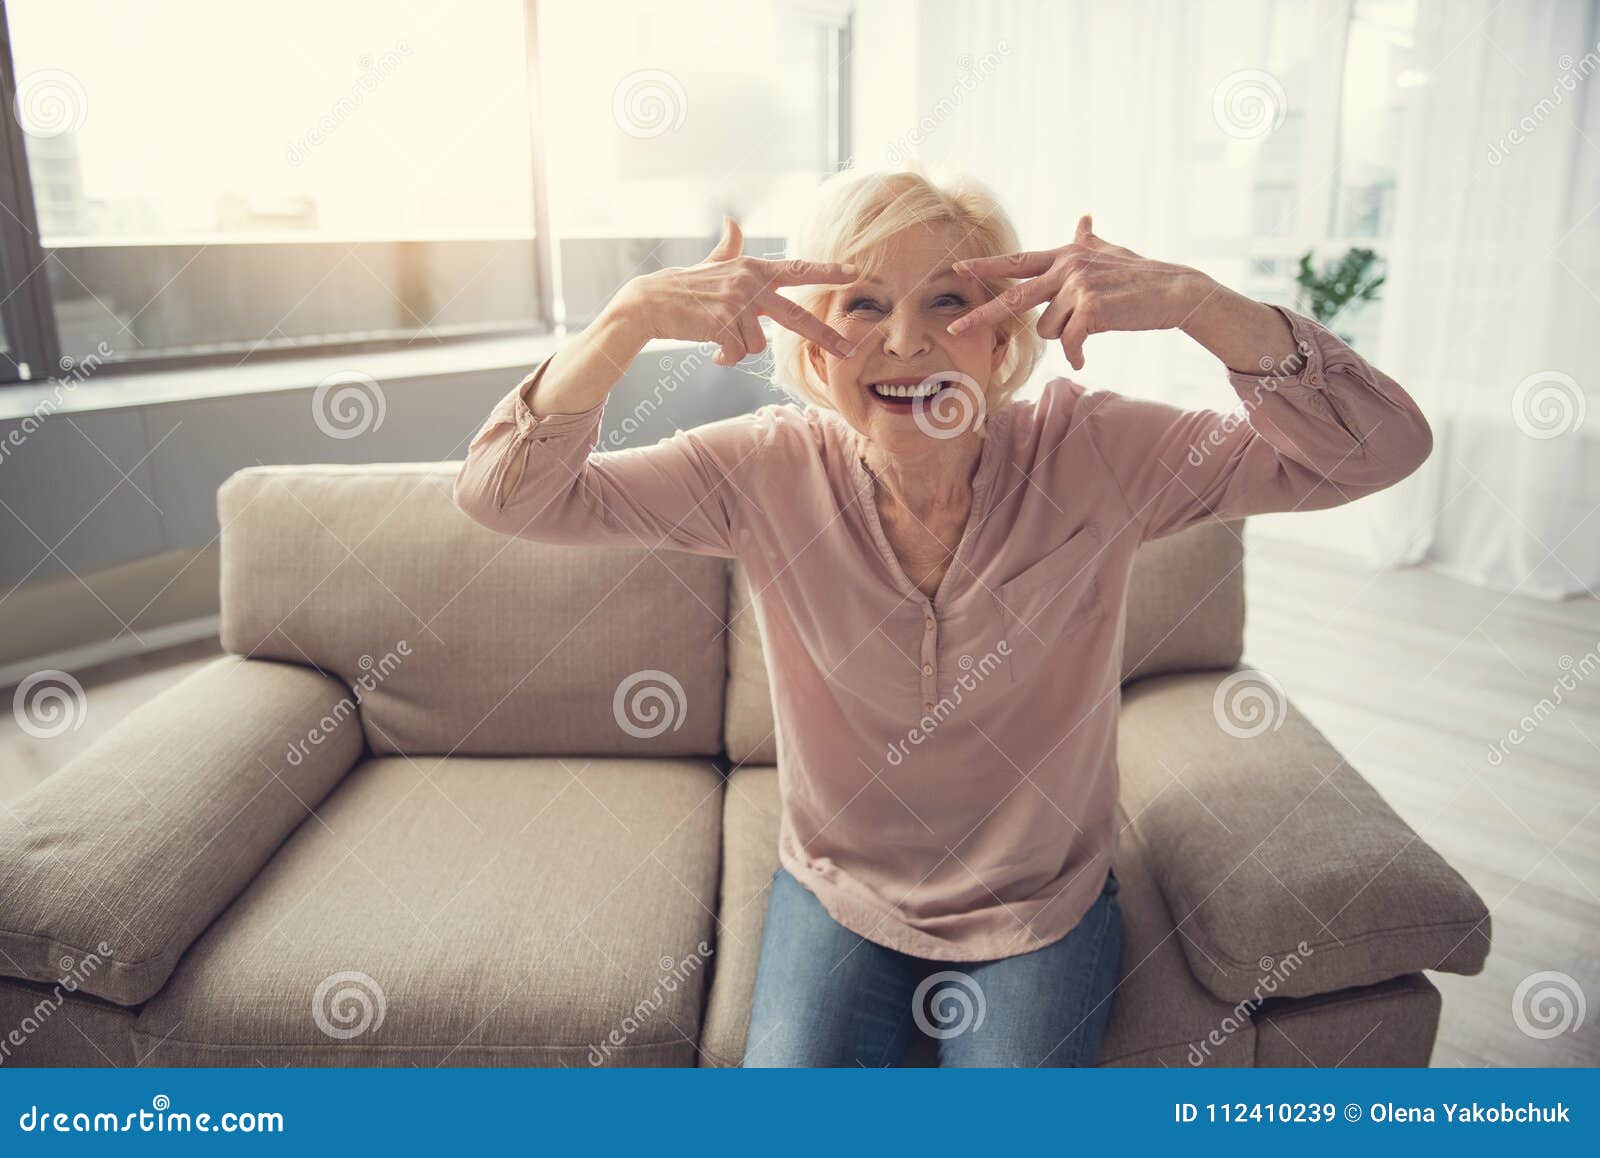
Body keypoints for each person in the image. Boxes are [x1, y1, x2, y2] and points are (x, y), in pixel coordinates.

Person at [453, 165, 1433, 1067]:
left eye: (948, 303)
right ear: (812, 340)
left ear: (1004, 335)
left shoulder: (1096, 452)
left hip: (1040, 908)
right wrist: (624, 319)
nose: (906, 341)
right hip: (837, 891)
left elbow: (1374, 453)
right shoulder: (760, 471)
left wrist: (1206, 307)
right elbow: (507, 497)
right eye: (864, 304)